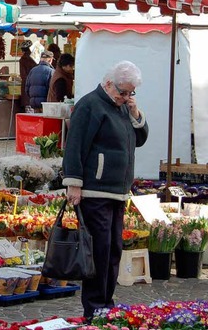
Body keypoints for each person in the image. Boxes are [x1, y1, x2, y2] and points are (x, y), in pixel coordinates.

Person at [62, 61, 149, 321]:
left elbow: (140, 140)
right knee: (99, 251)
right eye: (123, 92)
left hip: (118, 192)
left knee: (113, 250)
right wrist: (74, 183)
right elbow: (75, 146)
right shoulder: (90, 105)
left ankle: (106, 303)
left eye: (131, 93)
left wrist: (136, 115)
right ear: (109, 83)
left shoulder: (123, 107)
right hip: (95, 191)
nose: (126, 97)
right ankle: (95, 306)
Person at [18, 40, 37, 109]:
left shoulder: (23, 60)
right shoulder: (36, 58)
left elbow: (23, 75)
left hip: (27, 87)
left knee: (28, 109)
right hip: (36, 86)